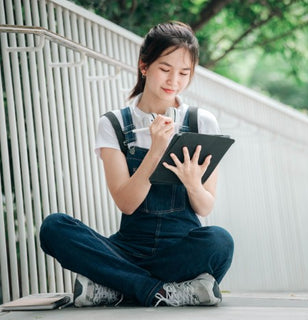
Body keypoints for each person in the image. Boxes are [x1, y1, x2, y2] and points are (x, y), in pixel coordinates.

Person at [39, 21, 234, 307]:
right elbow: (126, 203)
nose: (174, 81)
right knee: (54, 228)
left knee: (220, 242)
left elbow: (205, 206)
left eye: (184, 73)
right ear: (144, 66)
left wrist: (193, 182)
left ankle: (117, 287)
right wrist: (156, 150)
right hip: (127, 248)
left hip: (180, 249)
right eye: (165, 70)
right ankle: (161, 291)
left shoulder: (201, 122)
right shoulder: (114, 124)